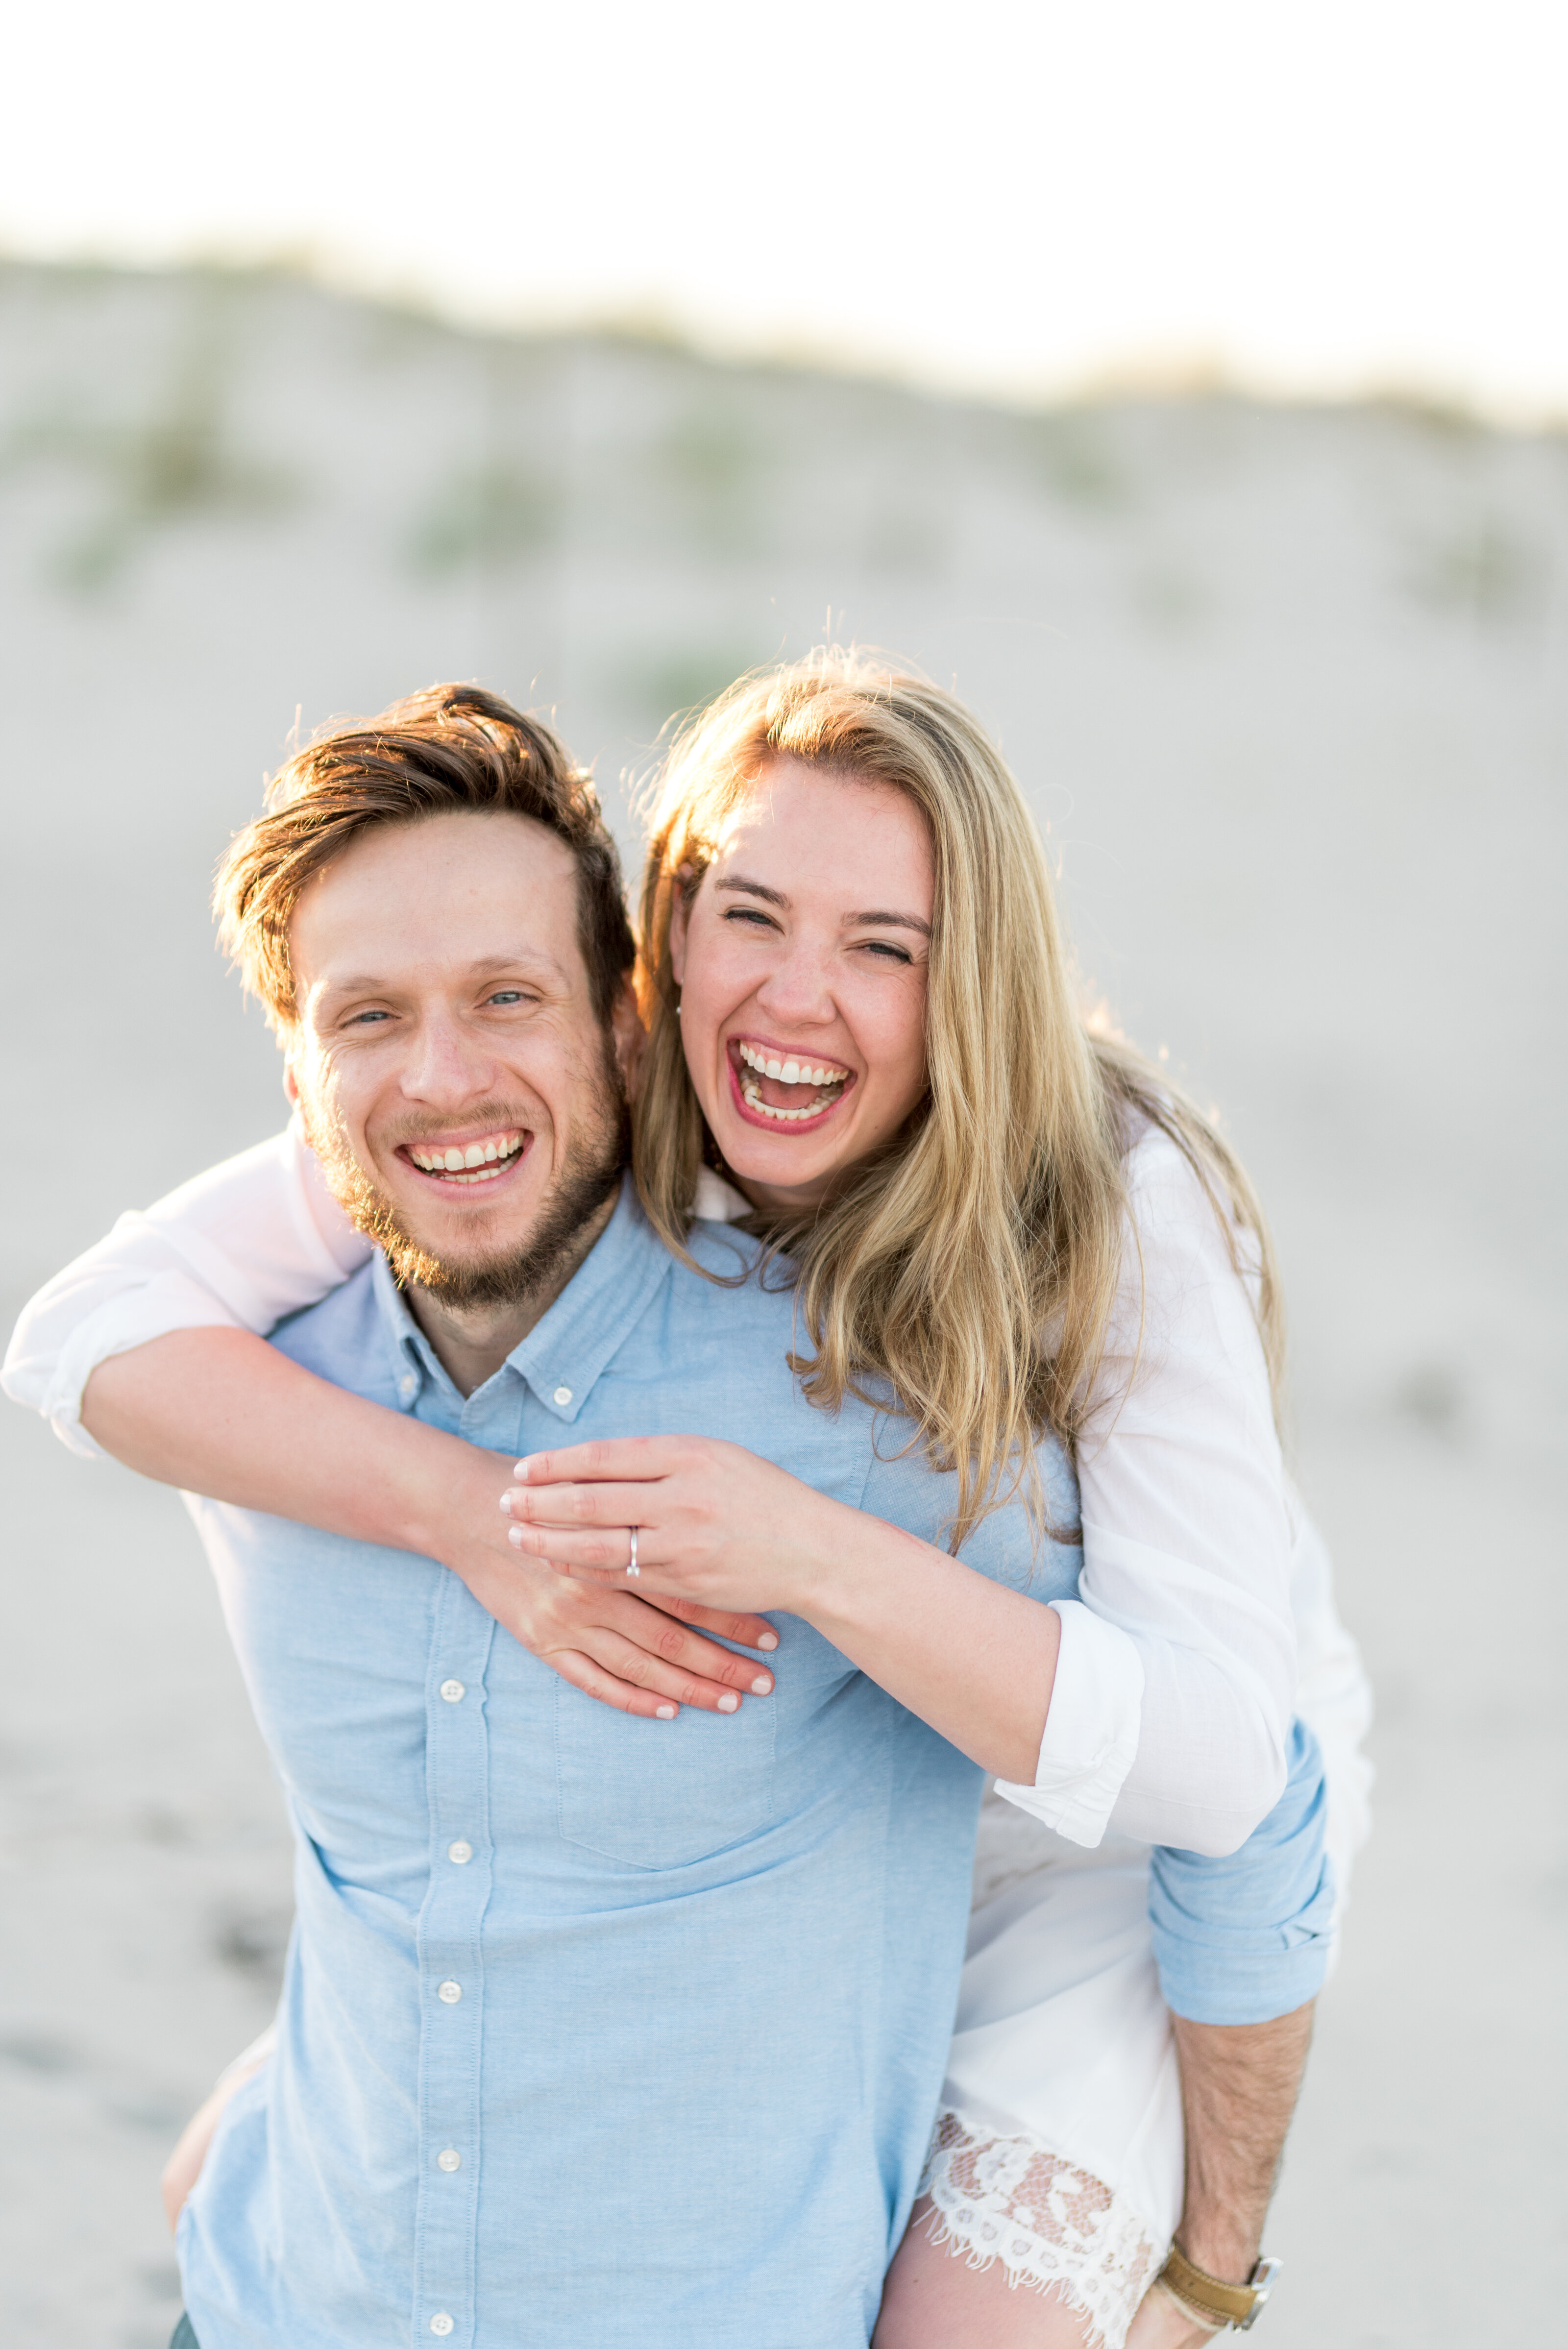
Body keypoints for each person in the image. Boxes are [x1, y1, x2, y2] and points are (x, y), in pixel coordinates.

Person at [3, 667, 1368, 2348]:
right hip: (313, 2290)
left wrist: (1211, 2272)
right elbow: (76, 1336)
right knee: (233, 2158)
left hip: (1108, 1771)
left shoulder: (1045, 1277)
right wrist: (469, 1509)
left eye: (888, 943)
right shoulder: (331, 1304)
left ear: (607, 1017)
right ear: (669, 957)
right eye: (755, 916)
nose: (800, 997)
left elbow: (1243, 1778)